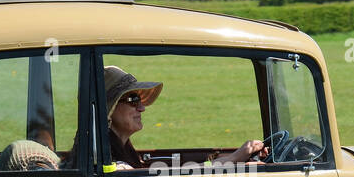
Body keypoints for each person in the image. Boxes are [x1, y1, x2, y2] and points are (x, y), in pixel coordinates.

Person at [103, 65, 266, 169]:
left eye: (139, 99)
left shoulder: (120, 149)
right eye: (132, 100)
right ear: (110, 109)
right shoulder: (113, 163)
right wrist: (234, 159)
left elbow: (172, 172)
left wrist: (228, 158)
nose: (142, 108)